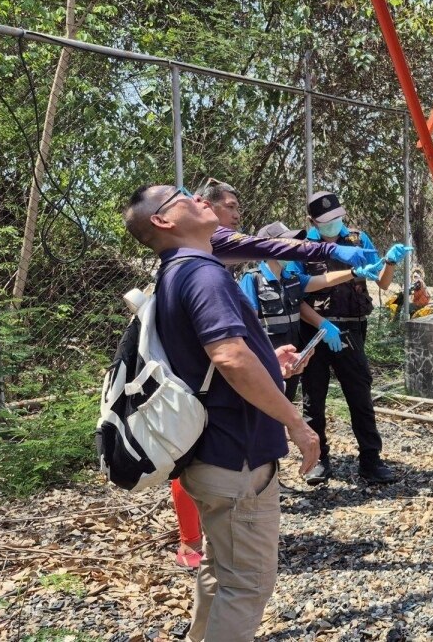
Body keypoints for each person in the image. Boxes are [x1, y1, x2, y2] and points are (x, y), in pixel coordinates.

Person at [122, 183, 319, 642]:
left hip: (211, 456)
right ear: (163, 221)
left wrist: (269, 359)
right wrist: (296, 423)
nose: (198, 198)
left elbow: (211, 357)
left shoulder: (175, 273)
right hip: (237, 458)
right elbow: (230, 358)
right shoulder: (203, 273)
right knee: (248, 585)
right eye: (183, 195)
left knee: (220, 571)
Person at [166, 182, 378, 566]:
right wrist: (295, 422)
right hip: (208, 380)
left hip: (256, 366)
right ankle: (193, 540)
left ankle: (216, 537)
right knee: (189, 453)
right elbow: (232, 350)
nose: (235, 215)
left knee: (206, 455)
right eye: (227, 206)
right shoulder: (205, 268)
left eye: (236, 208)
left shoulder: (212, 253)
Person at [290, 191, 412, 485]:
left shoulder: (357, 240)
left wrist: (390, 262)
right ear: (312, 221)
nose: (335, 224)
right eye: (327, 221)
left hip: (351, 329)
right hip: (314, 331)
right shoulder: (302, 247)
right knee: (313, 399)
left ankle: (371, 460)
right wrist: (321, 324)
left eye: (338, 218)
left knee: (359, 396)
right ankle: (319, 459)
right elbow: (294, 293)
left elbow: (381, 281)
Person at [238, 221, 385, 405]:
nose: (292, 249)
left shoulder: (291, 279)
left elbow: (324, 280)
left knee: (284, 407)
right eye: (287, 243)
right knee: (263, 414)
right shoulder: (252, 280)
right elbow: (247, 327)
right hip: (266, 361)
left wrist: (355, 271)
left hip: (290, 361)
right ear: (269, 247)